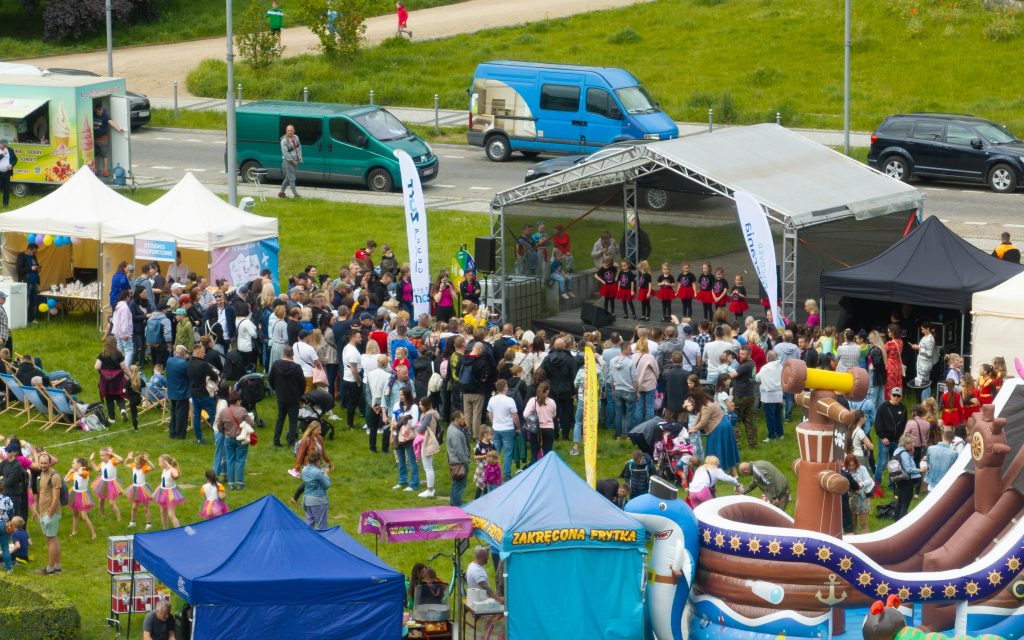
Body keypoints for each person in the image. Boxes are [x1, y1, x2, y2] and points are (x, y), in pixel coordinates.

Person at [217, 390, 255, 490]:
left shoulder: (223, 411)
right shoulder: (242, 410)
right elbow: (251, 424)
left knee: (230, 460)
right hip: (241, 439)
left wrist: (225, 432)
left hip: (228, 439)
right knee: (240, 460)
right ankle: (240, 484)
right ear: (237, 401)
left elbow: (219, 426)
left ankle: (230, 484)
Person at [270, 347, 306, 447]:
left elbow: (271, 379)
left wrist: (276, 389)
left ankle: (276, 440)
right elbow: (302, 384)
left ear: (283, 353)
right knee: (293, 421)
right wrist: (300, 395)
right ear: (292, 355)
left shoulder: (276, 364)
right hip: (294, 398)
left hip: (281, 396)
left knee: (280, 419)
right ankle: (291, 442)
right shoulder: (297, 367)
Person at [873, 387, 907, 490]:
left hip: (896, 440)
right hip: (885, 440)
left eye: (898, 396)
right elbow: (878, 423)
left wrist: (901, 437)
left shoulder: (903, 408)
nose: (896, 397)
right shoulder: (883, 407)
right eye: (894, 395)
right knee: (882, 464)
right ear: (890, 395)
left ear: (901, 397)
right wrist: (882, 437)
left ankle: (892, 485)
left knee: (894, 464)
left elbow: (904, 424)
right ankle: (875, 486)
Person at [35, 452, 62, 576]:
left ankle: (50, 569)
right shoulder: (42, 473)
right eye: (41, 463)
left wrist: (49, 515)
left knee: (51, 539)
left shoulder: (55, 477)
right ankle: (57, 566)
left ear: (50, 463)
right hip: (44, 512)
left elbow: (56, 499)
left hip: (50, 513)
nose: (43, 465)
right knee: (53, 539)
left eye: (45, 463)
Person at [487, 379, 519, 480]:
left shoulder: (492, 399)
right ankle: (506, 474)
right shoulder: (510, 400)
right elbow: (515, 416)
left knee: (495, 451)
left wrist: (493, 423)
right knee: (508, 452)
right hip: (508, 428)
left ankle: (492, 471)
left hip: (496, 428)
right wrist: (518, 427)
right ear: (505, 387)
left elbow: (490, 413)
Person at [185, 344, 218, 445]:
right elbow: (215, 376)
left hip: (194, 393)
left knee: (196, 416)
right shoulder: (203, 365)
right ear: (198, 353)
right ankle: (216, 437)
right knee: (213, 414)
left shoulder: (189, 364)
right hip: (204, 394)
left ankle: (199, 438)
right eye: (203, 352)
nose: (204, 354)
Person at [728, 345, 758, 448]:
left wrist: (725, 368)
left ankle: (736, 444)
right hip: (750, 395)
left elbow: (732, 375)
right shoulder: (752, 363)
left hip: (741, 396)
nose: (740, 355)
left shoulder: (745, 365)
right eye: (740, 353)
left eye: (743, 354)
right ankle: (753, 444)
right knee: (749, 421)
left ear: (749, 355)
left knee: (735, 419)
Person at [892, 434, 922, 520]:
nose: (913, 445)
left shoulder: (897, 450)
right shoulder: (904, 454)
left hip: (899, 478)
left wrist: (911, 453)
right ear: (906, 443)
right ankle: (902, 520)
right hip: (907, 480)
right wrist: (920, 470)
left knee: (900, 501)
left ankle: (896, 518)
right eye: (911, 443)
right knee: (906, 502)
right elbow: (908, 469)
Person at [524, 381, 557, 455]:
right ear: (547, 391)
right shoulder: (552, 402)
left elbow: (526, 414)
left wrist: (532, 418)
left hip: (536, 428)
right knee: (547, 454)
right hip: (549, 429)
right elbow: (554, 415)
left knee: (534, 454)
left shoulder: (532, 401)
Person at [93, 102, 126, 178]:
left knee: (104, 155)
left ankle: (105, 170)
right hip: (94, 139)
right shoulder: (93, 114)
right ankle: (96, 170)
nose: (99, 112)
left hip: (103, 139)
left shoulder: (105, 116)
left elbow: (111, 123)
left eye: (100, 110)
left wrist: (118, 128)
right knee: (96, 155)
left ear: (102, 110)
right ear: (95, 110)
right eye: (98, 111)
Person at [756, 351, 784, 441]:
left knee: (770, 417)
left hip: (768, 396)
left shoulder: (765, 368)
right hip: (778, 394)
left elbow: (757, 378)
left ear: (767, 358)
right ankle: (780, 434)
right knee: (778, 415)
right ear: (776, 358)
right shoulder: (780, 367)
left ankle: (771, 436)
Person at [845, 454, 874, 534]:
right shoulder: (845, 472)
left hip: (863, 498)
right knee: (853, 526)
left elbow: (869, 481)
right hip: (851, 499)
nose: (851, 467)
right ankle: (854, 540)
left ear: (856, 463)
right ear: (846, 465)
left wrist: (860, 484)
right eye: (849, 466)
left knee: (864, 524)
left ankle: (866, 541)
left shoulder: (862, 468)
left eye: (853, 465)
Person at [124, 451, 154, 530]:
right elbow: (125, 464)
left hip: (143, 489)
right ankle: (132, 522)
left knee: (145, 508)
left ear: (142, 464)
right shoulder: (133, 466)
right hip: (135, 489)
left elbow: (153, 467)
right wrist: (128, 458)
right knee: (134, 507)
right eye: (135, 463)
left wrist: (147, 460)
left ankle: (149, 523)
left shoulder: (144, 468)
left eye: (138, 464)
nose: (136, 465)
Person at [446, 411, 471, 506]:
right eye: (463, 419)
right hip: (459, 463)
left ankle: (453, 506)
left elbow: (467, 439)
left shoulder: (454, 429)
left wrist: (466, 428)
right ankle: (456, 507)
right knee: (459, 486)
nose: (464, 420)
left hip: (456, 462)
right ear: (457, 419)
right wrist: (465, 462)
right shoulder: (455, 432)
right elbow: (459, 451)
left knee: (456, 484)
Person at [16, 243, 39, 322]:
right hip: (26, 283)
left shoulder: (34, 256)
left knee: (34, 301)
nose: (35, 253)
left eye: (36, 252)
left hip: (35, 282)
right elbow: (19, 270)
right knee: (24, 301)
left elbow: (36, 265)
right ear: (29, 249)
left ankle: (32, 319)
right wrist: (30, 268)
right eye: (34, 251)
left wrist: (38, 268)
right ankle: (22, 319)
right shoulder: (21, 256)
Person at [278, 123, 302, 198]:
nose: (290, 132)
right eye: (289, 130)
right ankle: (296, 195)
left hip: (295, 160)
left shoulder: (296, 137)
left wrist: (299, 156)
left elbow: (299, 147)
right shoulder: (284, 140)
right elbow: (285, 154)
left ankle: (281, 193)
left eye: (292, 130)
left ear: (294, 130)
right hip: (288, 161)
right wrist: (293, 161)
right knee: (292, 178)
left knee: (288, 178)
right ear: (286, 131)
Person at [0, 138, 17, 208]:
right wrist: (2, 154)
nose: (5, 146)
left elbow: (15, 159)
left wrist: (11, 165)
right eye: (3, 145)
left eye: (6, 145)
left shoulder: (10, 150)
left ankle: (5, 205)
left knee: (6, 190)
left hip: (7, 173)